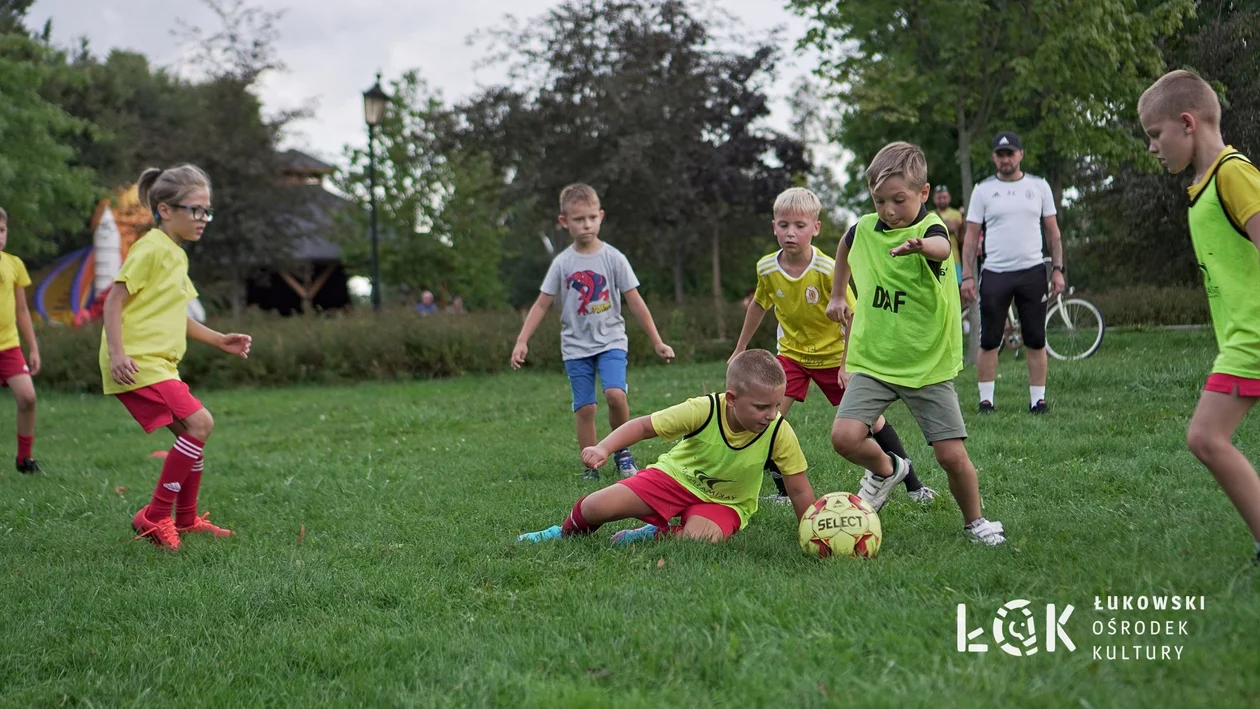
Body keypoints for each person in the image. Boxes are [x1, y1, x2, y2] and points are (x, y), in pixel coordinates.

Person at [826, 141, 1006, 545]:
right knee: (844, 437)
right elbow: (846, 242)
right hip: (874, 360)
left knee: (950, 457)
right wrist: (839, 293)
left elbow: (942, 246)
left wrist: (921, 246)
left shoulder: (931, 230)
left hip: (926, 365)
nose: (888, 211)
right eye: (879, 200)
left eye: (899, 200)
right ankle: (887, 469)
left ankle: (975, 522)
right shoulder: (865, 228)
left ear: (923, 194)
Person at [730, 187, 935, 506]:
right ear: (774, 227)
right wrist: (740, 348)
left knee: (872, 422)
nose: (790, 233)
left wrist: (846, 365)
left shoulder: (827, 269)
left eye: (799, 225)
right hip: (792, 356)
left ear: (816, 228)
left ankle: (913, 484)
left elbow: (852, 316)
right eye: (783, 225)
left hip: (833, 357)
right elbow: (759, 303)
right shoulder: (767, 268)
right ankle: (783, 493)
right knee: (769, 419)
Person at [1139, 69, 1260, 564]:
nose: (1152, 148)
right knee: (1206, 438)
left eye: (1154, 135)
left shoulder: (1234, 173)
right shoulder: (1205, 185)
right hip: (1242, 337)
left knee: (1206, 437)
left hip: (1253, 339)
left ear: (1187, 123)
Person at [101, 165, 253, 551]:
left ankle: (185, 520)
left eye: (207, 211)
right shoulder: (150, 248)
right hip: (137, 362)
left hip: (159, 363)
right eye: (195, 210)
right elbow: (114, 299)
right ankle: (154, 516)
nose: (203, 219)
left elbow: (176, 314)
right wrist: (118, 354)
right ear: (166, 210)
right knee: (201, 424)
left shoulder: (175, 254)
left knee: (191, 437)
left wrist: (220, 340)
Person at [516, 349, 815, 545]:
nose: (772, 414)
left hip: (726, 503)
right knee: (596, 506)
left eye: (777, 404)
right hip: (673, 480)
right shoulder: (704, 409)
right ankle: (562, 533)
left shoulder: (778, 431)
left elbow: (799, 489)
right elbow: (644, 426)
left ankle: (652, 534)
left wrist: (811, 533)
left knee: (695, 541)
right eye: (762, 406)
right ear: (732, 399)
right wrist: (604, 448)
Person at [511, 184, 674, 480]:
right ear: (564, 222)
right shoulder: (562, 263)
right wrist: (522, 341)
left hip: (611, 340)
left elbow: (635, 301)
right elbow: (541, 304)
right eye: (578, 219)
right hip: (576, 347)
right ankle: (591, 465)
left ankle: (623, 452)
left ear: (600, 217)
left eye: (590, 218)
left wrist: (657, 341)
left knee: (615, 394)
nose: (586, 225)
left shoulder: (613, 258)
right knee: (585, 408)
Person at [960, 132, 1066, 415]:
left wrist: (1057, 270)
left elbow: (1053, 232)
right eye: (1000, 154)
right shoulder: (983, 190)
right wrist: (967, 276)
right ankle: (986, 401)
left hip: (1032, 272)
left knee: (1035, 338)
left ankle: (1038, 400)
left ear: (1021, 154)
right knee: (989, 339)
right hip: (995, 273)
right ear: (995, 157)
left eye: (1010, 153)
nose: (1006, 158)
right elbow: (971, 237)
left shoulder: (1039, 186)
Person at [0, 208, 40, 474]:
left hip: (8, 346)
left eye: (2, 230)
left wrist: (33, 347)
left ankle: (24, 460)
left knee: (27, 398)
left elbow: (22, 310)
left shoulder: (13, 263)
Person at [933, 185, 965, 286]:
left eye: (944, 197)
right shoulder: (929, 214)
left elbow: (953, 227)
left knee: (956, 287)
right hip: (935, 259)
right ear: (934, 199)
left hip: (955, 259)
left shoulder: (956, 214)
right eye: (939, 198)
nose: (942, 200)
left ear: (949, 198)